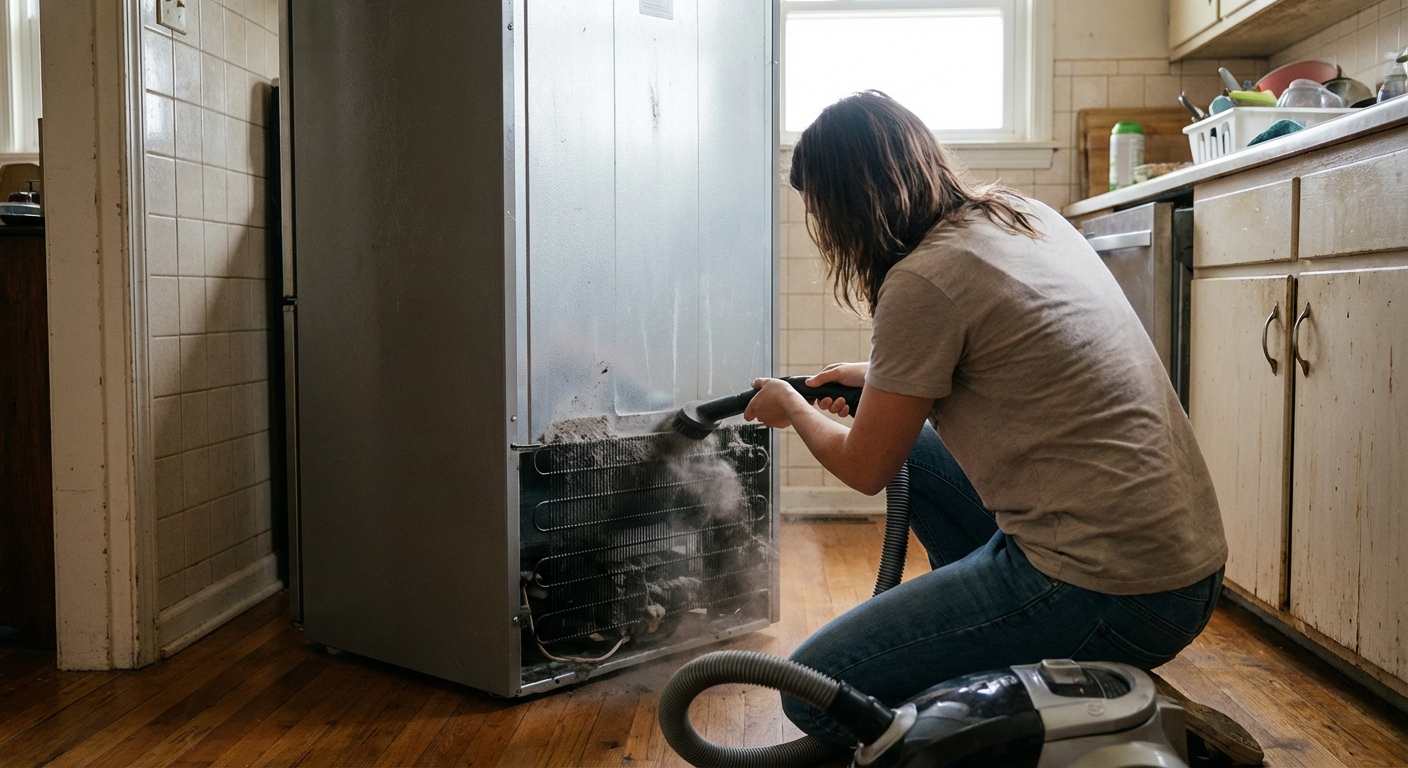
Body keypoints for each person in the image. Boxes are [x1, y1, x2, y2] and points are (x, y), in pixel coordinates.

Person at [742, 91, 1227, 745]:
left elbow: (863, 468)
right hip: (1182, 568)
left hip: (1110, 590)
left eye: (820, 210)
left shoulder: (922, 281)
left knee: (816, 690)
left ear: (849, 205)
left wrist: (793, 409)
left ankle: (1082, 711)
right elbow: (1005, 352)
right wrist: (879, 379)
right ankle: (1032, 662)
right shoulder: (1019, 216)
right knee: (916, 451)